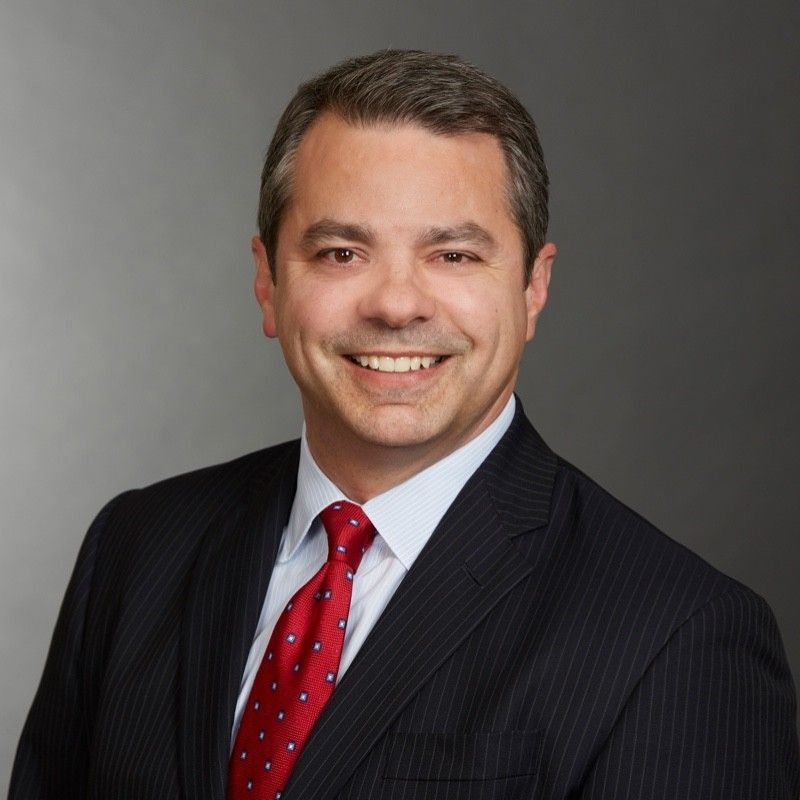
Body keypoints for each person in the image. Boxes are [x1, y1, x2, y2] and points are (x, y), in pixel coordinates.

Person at [9, 49, 798, 800]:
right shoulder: (136, 551)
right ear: (267, 282)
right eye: (341, 253)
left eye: (453, 255)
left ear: (533, 289)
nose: (395, 304)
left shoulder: (679, 638)